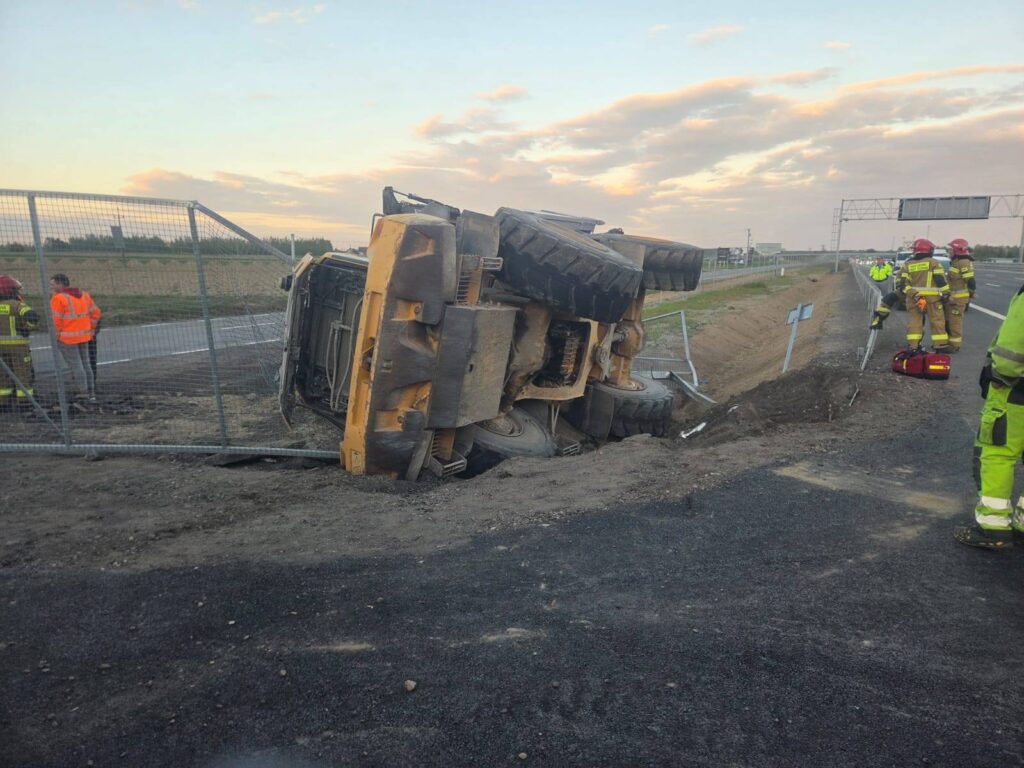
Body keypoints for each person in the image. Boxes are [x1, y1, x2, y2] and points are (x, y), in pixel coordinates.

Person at [955, 285, 1024, 548]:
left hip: (1016, 391)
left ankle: (992, 527)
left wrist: (999, 376)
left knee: (997, 453)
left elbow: (1011, 350)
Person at [49, 273, 100, 400]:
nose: (51, 287)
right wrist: (92, 329)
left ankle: (83, 392)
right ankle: (91, 391)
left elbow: (56, 320)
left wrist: (56, 335)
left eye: (53, 284)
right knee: (86, 364)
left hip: (67, 338)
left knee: (76, 365)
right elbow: (96, 313)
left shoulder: (58, 298)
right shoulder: (84, 295)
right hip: (84, 336)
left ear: (60, 284)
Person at [895, 238, 950, 352]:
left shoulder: (908, 264)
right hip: (932, 299)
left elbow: (901, 283)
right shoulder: (933, 262)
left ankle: (913, 345)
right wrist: (946, 294)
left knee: (914, 322)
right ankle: (940, 345)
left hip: (914, 298)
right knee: (937, 321)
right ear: (929, 250)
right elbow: (940, 280)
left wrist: (913, 294)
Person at [0, 275, 39, 405]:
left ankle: (3, 402)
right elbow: (33, 317)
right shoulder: (17, 305)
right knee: (23, 374)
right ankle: (24, 402)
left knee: (3, 376)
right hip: (18, 347)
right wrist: (27, 328)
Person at [944, 238, 976, 353]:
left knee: (954, 322)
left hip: (957, 300)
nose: (949, 251)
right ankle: (948, 342)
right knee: (948, 321)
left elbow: (970, 280)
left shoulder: (963, 262)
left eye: (951, 249)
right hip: (952, 298)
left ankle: (954, 345)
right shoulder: (956, 262)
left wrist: (971, 293)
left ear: (957, 250)